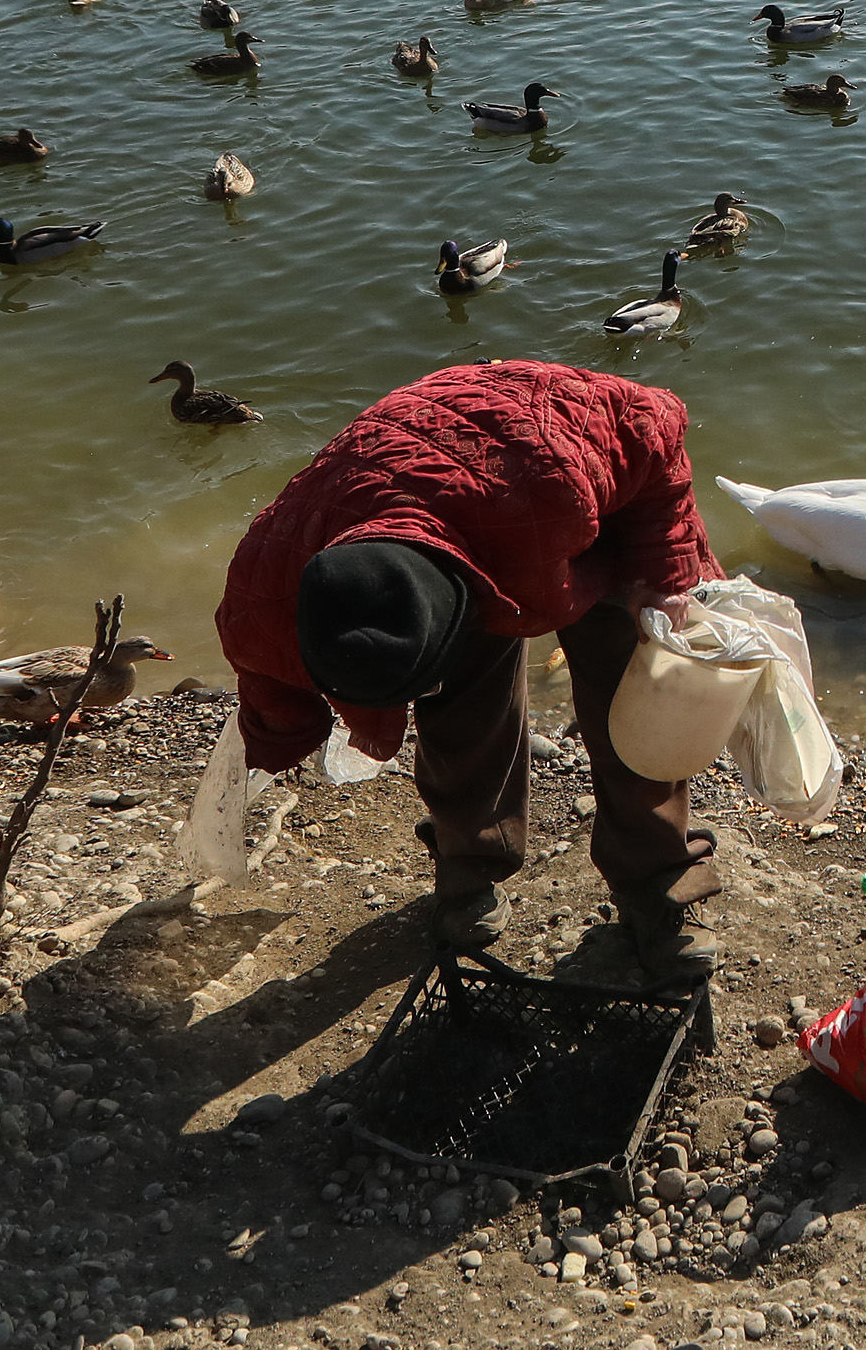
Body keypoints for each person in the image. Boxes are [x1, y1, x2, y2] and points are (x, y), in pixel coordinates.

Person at [216, 358, 723, 983]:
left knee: (637, 704)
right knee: (459, 709)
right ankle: (470, 867)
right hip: (450, 508)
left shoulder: (550, 483)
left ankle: (660, 884)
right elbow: (270, 693)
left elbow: (654, 424)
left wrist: (664, 575)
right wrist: (275, 743)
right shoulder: (266, 590)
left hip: (552, 484)